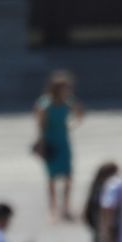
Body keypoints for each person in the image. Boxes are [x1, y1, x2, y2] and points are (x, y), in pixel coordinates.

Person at [34, 71, 81, 222]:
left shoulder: (68, 102)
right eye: (64, 87)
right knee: (52, 178)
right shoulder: (45, 104)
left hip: (63, 141)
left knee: (68, 176)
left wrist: (72, 125)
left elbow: (80, 113)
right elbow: (40, 126)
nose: (67, 90)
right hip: (51, 142)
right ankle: (53, 209)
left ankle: (65, 208)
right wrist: (41, 145)